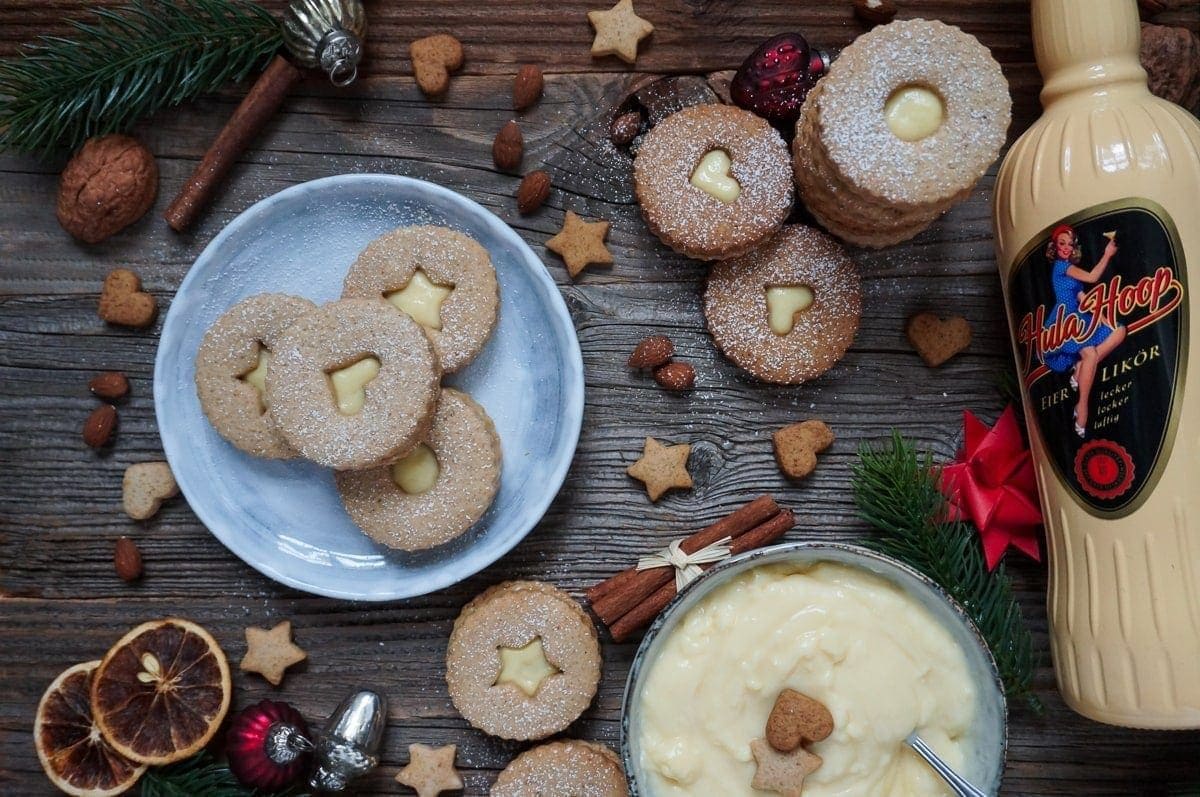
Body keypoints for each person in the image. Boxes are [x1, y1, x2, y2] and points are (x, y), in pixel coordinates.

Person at [1042, 224, 1127, 437]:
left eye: (1070, 244)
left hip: (1079, 318)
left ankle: (1081, 367)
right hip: (1064, 323)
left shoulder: (1070, 271)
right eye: (1062, 243)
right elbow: (1092, 278)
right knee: (1090, 353)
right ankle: (1082, 406)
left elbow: (1083, 299)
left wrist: (1105, 319)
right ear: (1055, 246)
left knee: (1119, 331)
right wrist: (1107, 254)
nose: (1066, 248)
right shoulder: (1062, 267)